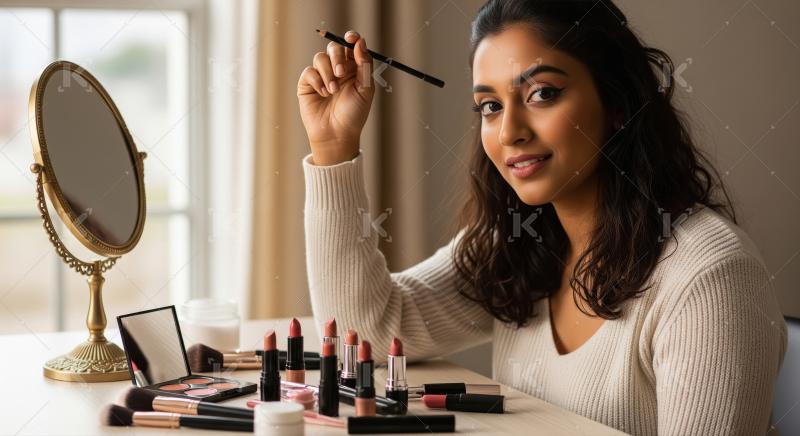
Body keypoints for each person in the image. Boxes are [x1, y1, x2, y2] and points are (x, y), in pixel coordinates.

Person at [296, 0, 787, 434]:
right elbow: (371, 328)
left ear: (617, 102)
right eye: (490, 106)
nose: (509, 131)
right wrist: (333, 145)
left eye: (542, 94)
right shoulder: (519, 238)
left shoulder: (709, 277)